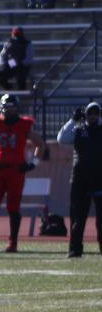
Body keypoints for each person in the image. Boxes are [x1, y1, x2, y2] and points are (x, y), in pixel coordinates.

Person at [0, 93, 47, 251]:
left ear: (17, 108)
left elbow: (41, 144)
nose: (9, 111)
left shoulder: (24, 124)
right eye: (7, 107)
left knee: (13, 208)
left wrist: (33, 164)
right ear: (1, 107)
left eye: (12, 107)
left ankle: (13, 243)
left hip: (16, 171)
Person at [59, 102, 102, 257]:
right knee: (78, 218)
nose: (93, 116)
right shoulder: (78, 130)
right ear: (86, 115)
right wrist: (72, 120)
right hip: (80, 180)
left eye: (96, 113)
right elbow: (62, 139)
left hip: (99, 180)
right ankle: (75, 249)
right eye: (90, 113)